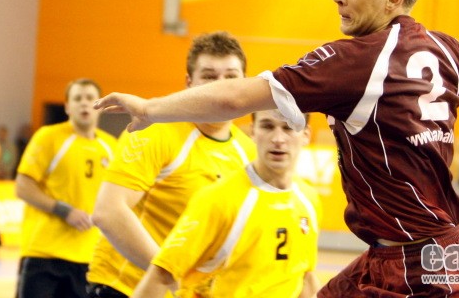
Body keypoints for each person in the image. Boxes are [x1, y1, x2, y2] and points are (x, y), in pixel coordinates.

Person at [94, 0, 459, 297]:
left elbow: (235, 99)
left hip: (424, 271)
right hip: (417, 254)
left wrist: (151, 107)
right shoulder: (442, 49)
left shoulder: (355, 61)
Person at [86, 31, 257, 298]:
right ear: (189, 83)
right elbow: (108, 212)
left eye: (231, 77)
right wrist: (171, 277)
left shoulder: (249, 152)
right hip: (125, 288)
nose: (220, 87)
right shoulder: (155, 130)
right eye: (209, 77)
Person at [131, 110, 321, 298]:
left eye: (288, 128)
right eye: (267, 126)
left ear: (305, 135)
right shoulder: (218, 199)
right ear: (253, 132)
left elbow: (304, 276)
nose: (278, 139)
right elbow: (161, 276)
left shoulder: (308, 199)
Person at [15, 78, 117, 298]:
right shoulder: (48, 137)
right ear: (67, 107)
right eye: (77, 98)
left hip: (89, 258)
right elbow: (23, 187)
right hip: (44, 254)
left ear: (101, 106)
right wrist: (64, 210)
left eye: (90, 98)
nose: (84, 103)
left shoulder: (112, 146)